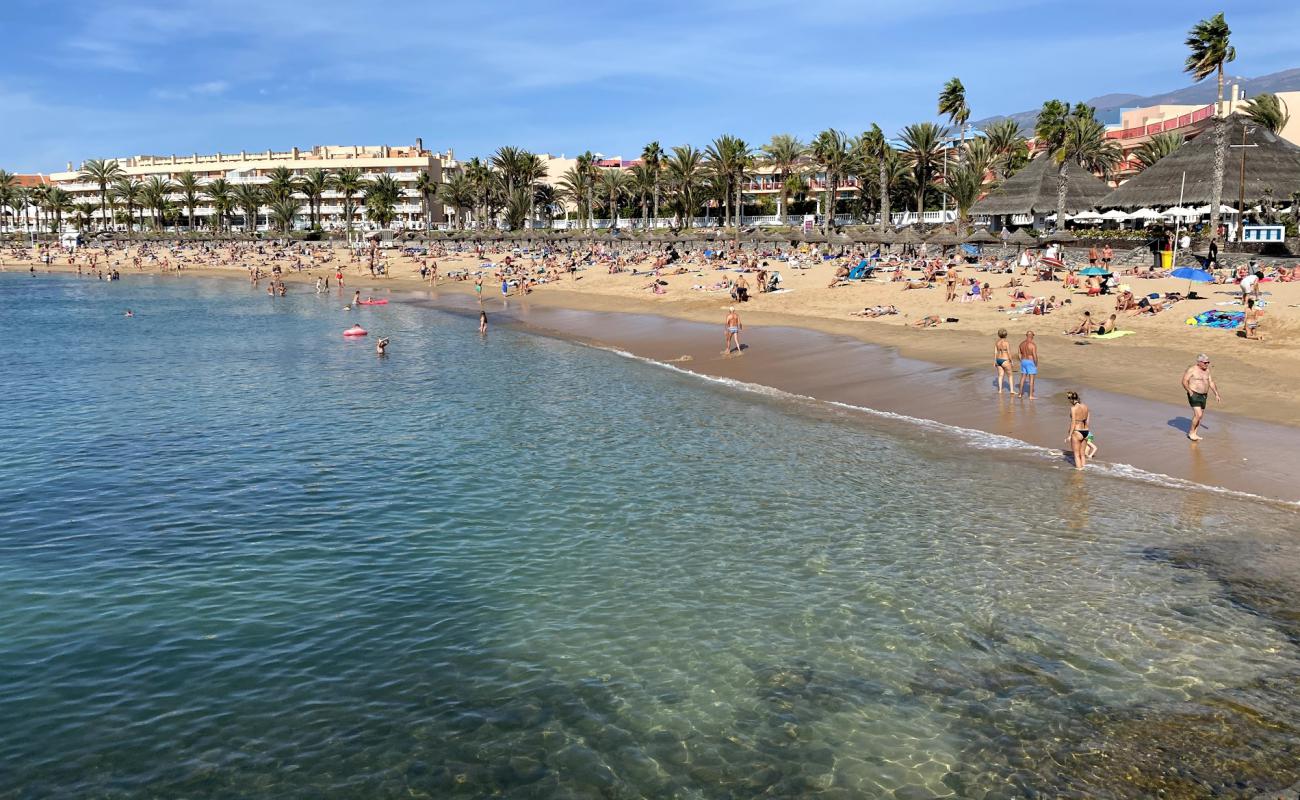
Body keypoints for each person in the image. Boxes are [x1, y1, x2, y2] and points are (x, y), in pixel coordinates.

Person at [1181, 354, 1221, 441]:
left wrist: (1216, 394)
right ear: (1199, 362)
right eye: (1205, 363)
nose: (1207, 364)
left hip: (1204, 396)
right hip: (1194, 394)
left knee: (1200, 416)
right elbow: (1184, 381)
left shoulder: (1207, 370)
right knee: (1198, 414)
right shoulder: (1192, 370)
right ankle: (1191, 432)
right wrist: (1189, 391)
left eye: (1208, 362)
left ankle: (1195, 433)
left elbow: (1211, 382)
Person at [1065, 390, 1091, 470]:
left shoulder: (1073, 408)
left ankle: (1079, 474)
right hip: (1086, 431)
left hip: (1077, 431)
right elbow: (1087, 420)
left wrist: (1069, 435)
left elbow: (1073, 422)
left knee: (1076, 455)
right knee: (1082, 454)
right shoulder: (1085, 406)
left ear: (1071, 399)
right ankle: (1084, 469)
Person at [1018, 331, 1038, 399]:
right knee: (1031, 379)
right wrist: (1036, 364)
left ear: (1026, 335)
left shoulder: (1021, 344)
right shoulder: (1032, 344)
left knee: (1023, 377)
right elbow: (1034, 355)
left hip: (1023, 361)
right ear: (1032, 336)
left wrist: (1021, 360)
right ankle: (1031, 396)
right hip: (1030, 361)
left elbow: (1019, 354)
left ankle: (1020, 394)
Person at [994, 329, 1013, 394]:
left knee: (1000, 375)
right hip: (1005, 359)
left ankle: (1000, 390)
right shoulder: (1006, 343)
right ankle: (1012, 390)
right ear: (1006, 335)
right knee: (1010, 375)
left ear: (999, 335)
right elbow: (1009, 352)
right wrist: (1011, 361)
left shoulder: (997, 343)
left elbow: (995, 352)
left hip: (998, 359)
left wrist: (994, 361)